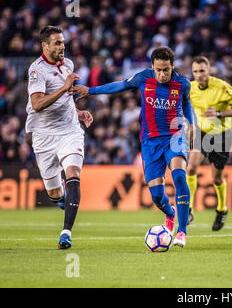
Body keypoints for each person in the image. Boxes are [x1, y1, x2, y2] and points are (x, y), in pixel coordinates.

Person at [71, 47, 194, 247]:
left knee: (179, 176)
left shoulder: (182, 84)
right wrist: (91, 91)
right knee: (156, 196)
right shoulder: (143, 78)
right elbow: (119, 86)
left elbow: (187, 105)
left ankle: (182, 231)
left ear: (173, 67)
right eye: (158, 70)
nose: (162, 75)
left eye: (166, 70)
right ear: (152, 67)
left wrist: (192, 123)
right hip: (150, 142)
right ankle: (170, 214)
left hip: (174, 135)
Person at [26, 26, 93, 249]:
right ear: (45, 46)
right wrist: (65, 88)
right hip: (44, 136)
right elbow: (37, 104)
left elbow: (66, 101)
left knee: (73, 172)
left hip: (69, 131)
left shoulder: (69, 65)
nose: (62, 46)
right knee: (54, 194)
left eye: (63, 42)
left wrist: (78, 112)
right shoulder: (37, 70)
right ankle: (63, 195)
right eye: (57, 43)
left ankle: (66, 233)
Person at [186, 56, 232, 231]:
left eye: (202, 71)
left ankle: (222, 209)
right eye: (195, 71)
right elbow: (185, 107)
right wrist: (190, 126)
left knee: (217, 178)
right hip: (202, 132)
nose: (198, 75)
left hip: (220, 135)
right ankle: (188, 209)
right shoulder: (190, 88)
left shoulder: (222, 87)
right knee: (191, 168)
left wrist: (218, 113)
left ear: (209, 70)